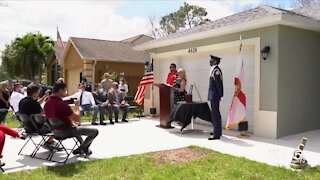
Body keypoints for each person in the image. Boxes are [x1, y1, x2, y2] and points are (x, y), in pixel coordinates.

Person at [44, 81, 99, 156]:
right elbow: (77, 119)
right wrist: (77, 107)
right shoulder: (62, 105)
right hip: (66, 132)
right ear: (60, 90)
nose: (66, 93)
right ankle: (82, 148)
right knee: (95, 131)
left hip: (54, 132)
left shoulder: (47, 104)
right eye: (65, 90)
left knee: (74, 127)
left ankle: (84, 148)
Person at [19, 83, 56, 148]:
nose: (39, 93)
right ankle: (49, 142)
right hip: (38, 128)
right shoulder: (33, 103)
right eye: (38, 92)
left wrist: (45, 96)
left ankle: (50, 142)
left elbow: (36, 104)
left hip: (28, 127)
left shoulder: (22, 101)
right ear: (34, 93)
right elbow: (44, 113)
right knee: (57, 125)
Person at [208, 55, 224, 140]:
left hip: (215, 96)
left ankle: (216, 134)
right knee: (215, 114)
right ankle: (217, 131)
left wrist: (221, 95)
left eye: (212, 60)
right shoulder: (214, 70)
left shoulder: (216, 71)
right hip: (213, 95)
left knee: (215, 114)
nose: (210, 61)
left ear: (215, 61)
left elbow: (219, 85)